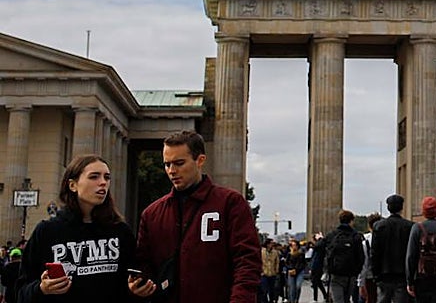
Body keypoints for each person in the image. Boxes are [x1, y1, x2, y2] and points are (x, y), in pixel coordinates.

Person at [136, 130, 261, 303]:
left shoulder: (230, 203)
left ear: (200, 160)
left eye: (179, 163)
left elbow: (247, 261)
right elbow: (144, 263)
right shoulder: (152, 214)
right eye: (167, 164)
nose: (172, 171)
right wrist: (140, 285)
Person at [16, 154, 156, 301]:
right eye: (94, 177)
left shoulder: (120, 231)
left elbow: (133, 281)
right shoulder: (47, 231)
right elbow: (20, 291)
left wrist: (137, 290)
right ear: (72, 185)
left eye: (107, 177)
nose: (103, 183)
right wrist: (42, 289)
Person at [372, 195, 415, 303]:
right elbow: (412, 253)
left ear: (388, 208)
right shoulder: (410, 226)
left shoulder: (378, 226)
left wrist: (375, 274)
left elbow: (375, 252)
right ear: (402, 208)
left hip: (384, 273)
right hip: (402, 274)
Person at [324, 210, 365, 303]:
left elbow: (323, 250)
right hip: (350, 274)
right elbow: (361, 256)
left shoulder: (332, 235)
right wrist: (357, 272)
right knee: (346, 299)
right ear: (351, 221)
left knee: (338, 300)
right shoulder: (356, 236)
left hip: (335, 274)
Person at [263, 239, 282, 303]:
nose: (272, 245)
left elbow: (277, 262)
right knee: (264, 290)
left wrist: (276, 270)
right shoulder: (262, 252)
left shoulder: (275, 252)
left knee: (272, 290)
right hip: (264, 273)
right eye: (271, 243)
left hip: (272, 273)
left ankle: (271, 300)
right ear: (267, 244)